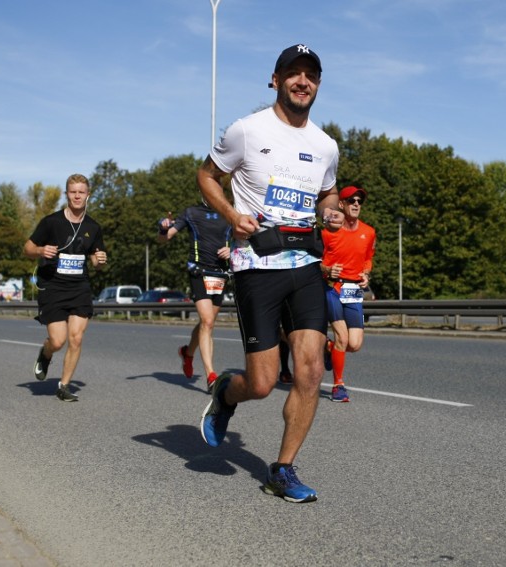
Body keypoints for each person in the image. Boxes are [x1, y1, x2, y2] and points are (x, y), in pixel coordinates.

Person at [196, 43, 343, 503]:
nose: (303, 82)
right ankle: (225, 393)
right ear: (275, 80)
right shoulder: (246, 129)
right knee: (260, 383)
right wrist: (229, 215)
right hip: (257, 265)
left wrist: (331, 212)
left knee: (310, 370)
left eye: (311, 75)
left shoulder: (326, 145)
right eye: (294, 73)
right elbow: (206, 177)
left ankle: (282, 469)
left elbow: (328, 194)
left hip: (306, 264)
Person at [23, 173, 107, 402]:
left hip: (79, 287)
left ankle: (64, 385)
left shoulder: (93, 227)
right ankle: (46, 352)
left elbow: (95, 262)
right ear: (66, 194)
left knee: (76, 338)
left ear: (88, 195)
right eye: (73, 192)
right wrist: (41, 251)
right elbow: (27, 248)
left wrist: (99, 261)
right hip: (53, 286)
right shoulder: (51, 222)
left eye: (81, 192)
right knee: (58, 341)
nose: (77, 196)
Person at [157, 201, 231, 390]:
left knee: (208, 322)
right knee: (207, 322)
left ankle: (187, 352)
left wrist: (232, 250)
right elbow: (164, 238)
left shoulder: (229, 210)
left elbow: (244, 237)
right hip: (199, 271)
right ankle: (211, 376)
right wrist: (163, 228)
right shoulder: (191, 212)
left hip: (220, 273)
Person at [321, 186, 376, 402]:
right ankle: (338, 385)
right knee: (342, 337)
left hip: (354, 290)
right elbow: (315, 262)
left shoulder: (369, 232)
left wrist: (366, 273)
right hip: (332, 288)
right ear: (341, 205)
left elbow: (368, 258)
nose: (356, 204)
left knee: (354, 344)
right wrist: (326, 269)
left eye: (359, 201)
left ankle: (327, 347)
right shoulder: (328, 232)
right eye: (351, 200)